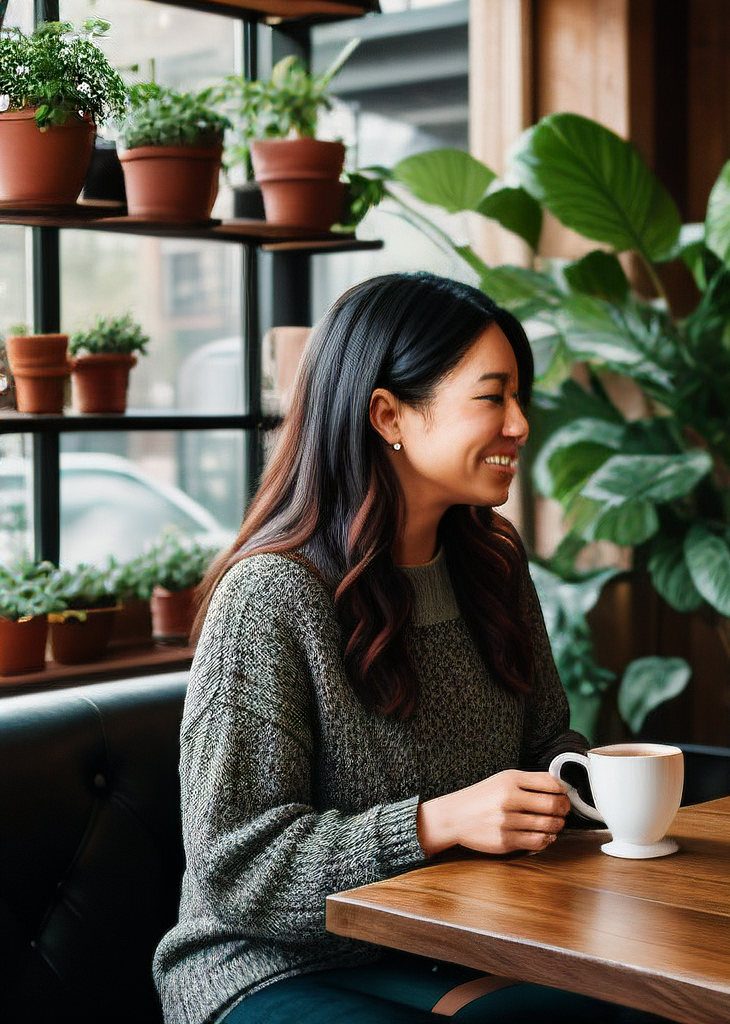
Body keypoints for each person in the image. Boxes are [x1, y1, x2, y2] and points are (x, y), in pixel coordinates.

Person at [154, 273, 642, 1024]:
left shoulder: (494, 565)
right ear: (389, 415)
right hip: (268, 966)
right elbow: (235, 865)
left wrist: (588, 792)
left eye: (521, 400)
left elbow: (548, 742)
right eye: (492, 397)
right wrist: (434, 823)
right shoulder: (270, 597)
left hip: (453, 943)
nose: (519, 425)